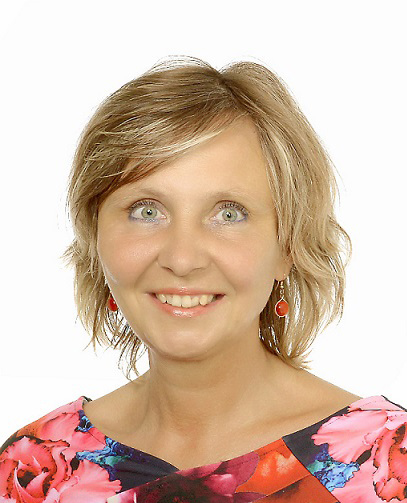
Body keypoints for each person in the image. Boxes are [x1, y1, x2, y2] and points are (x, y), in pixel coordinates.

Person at [0, 56, 406, 502]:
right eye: (146, 211)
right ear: (94, 240)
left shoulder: (386, 466)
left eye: (228, 214)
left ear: (288, 246)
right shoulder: (33, 471)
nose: (182, 258)